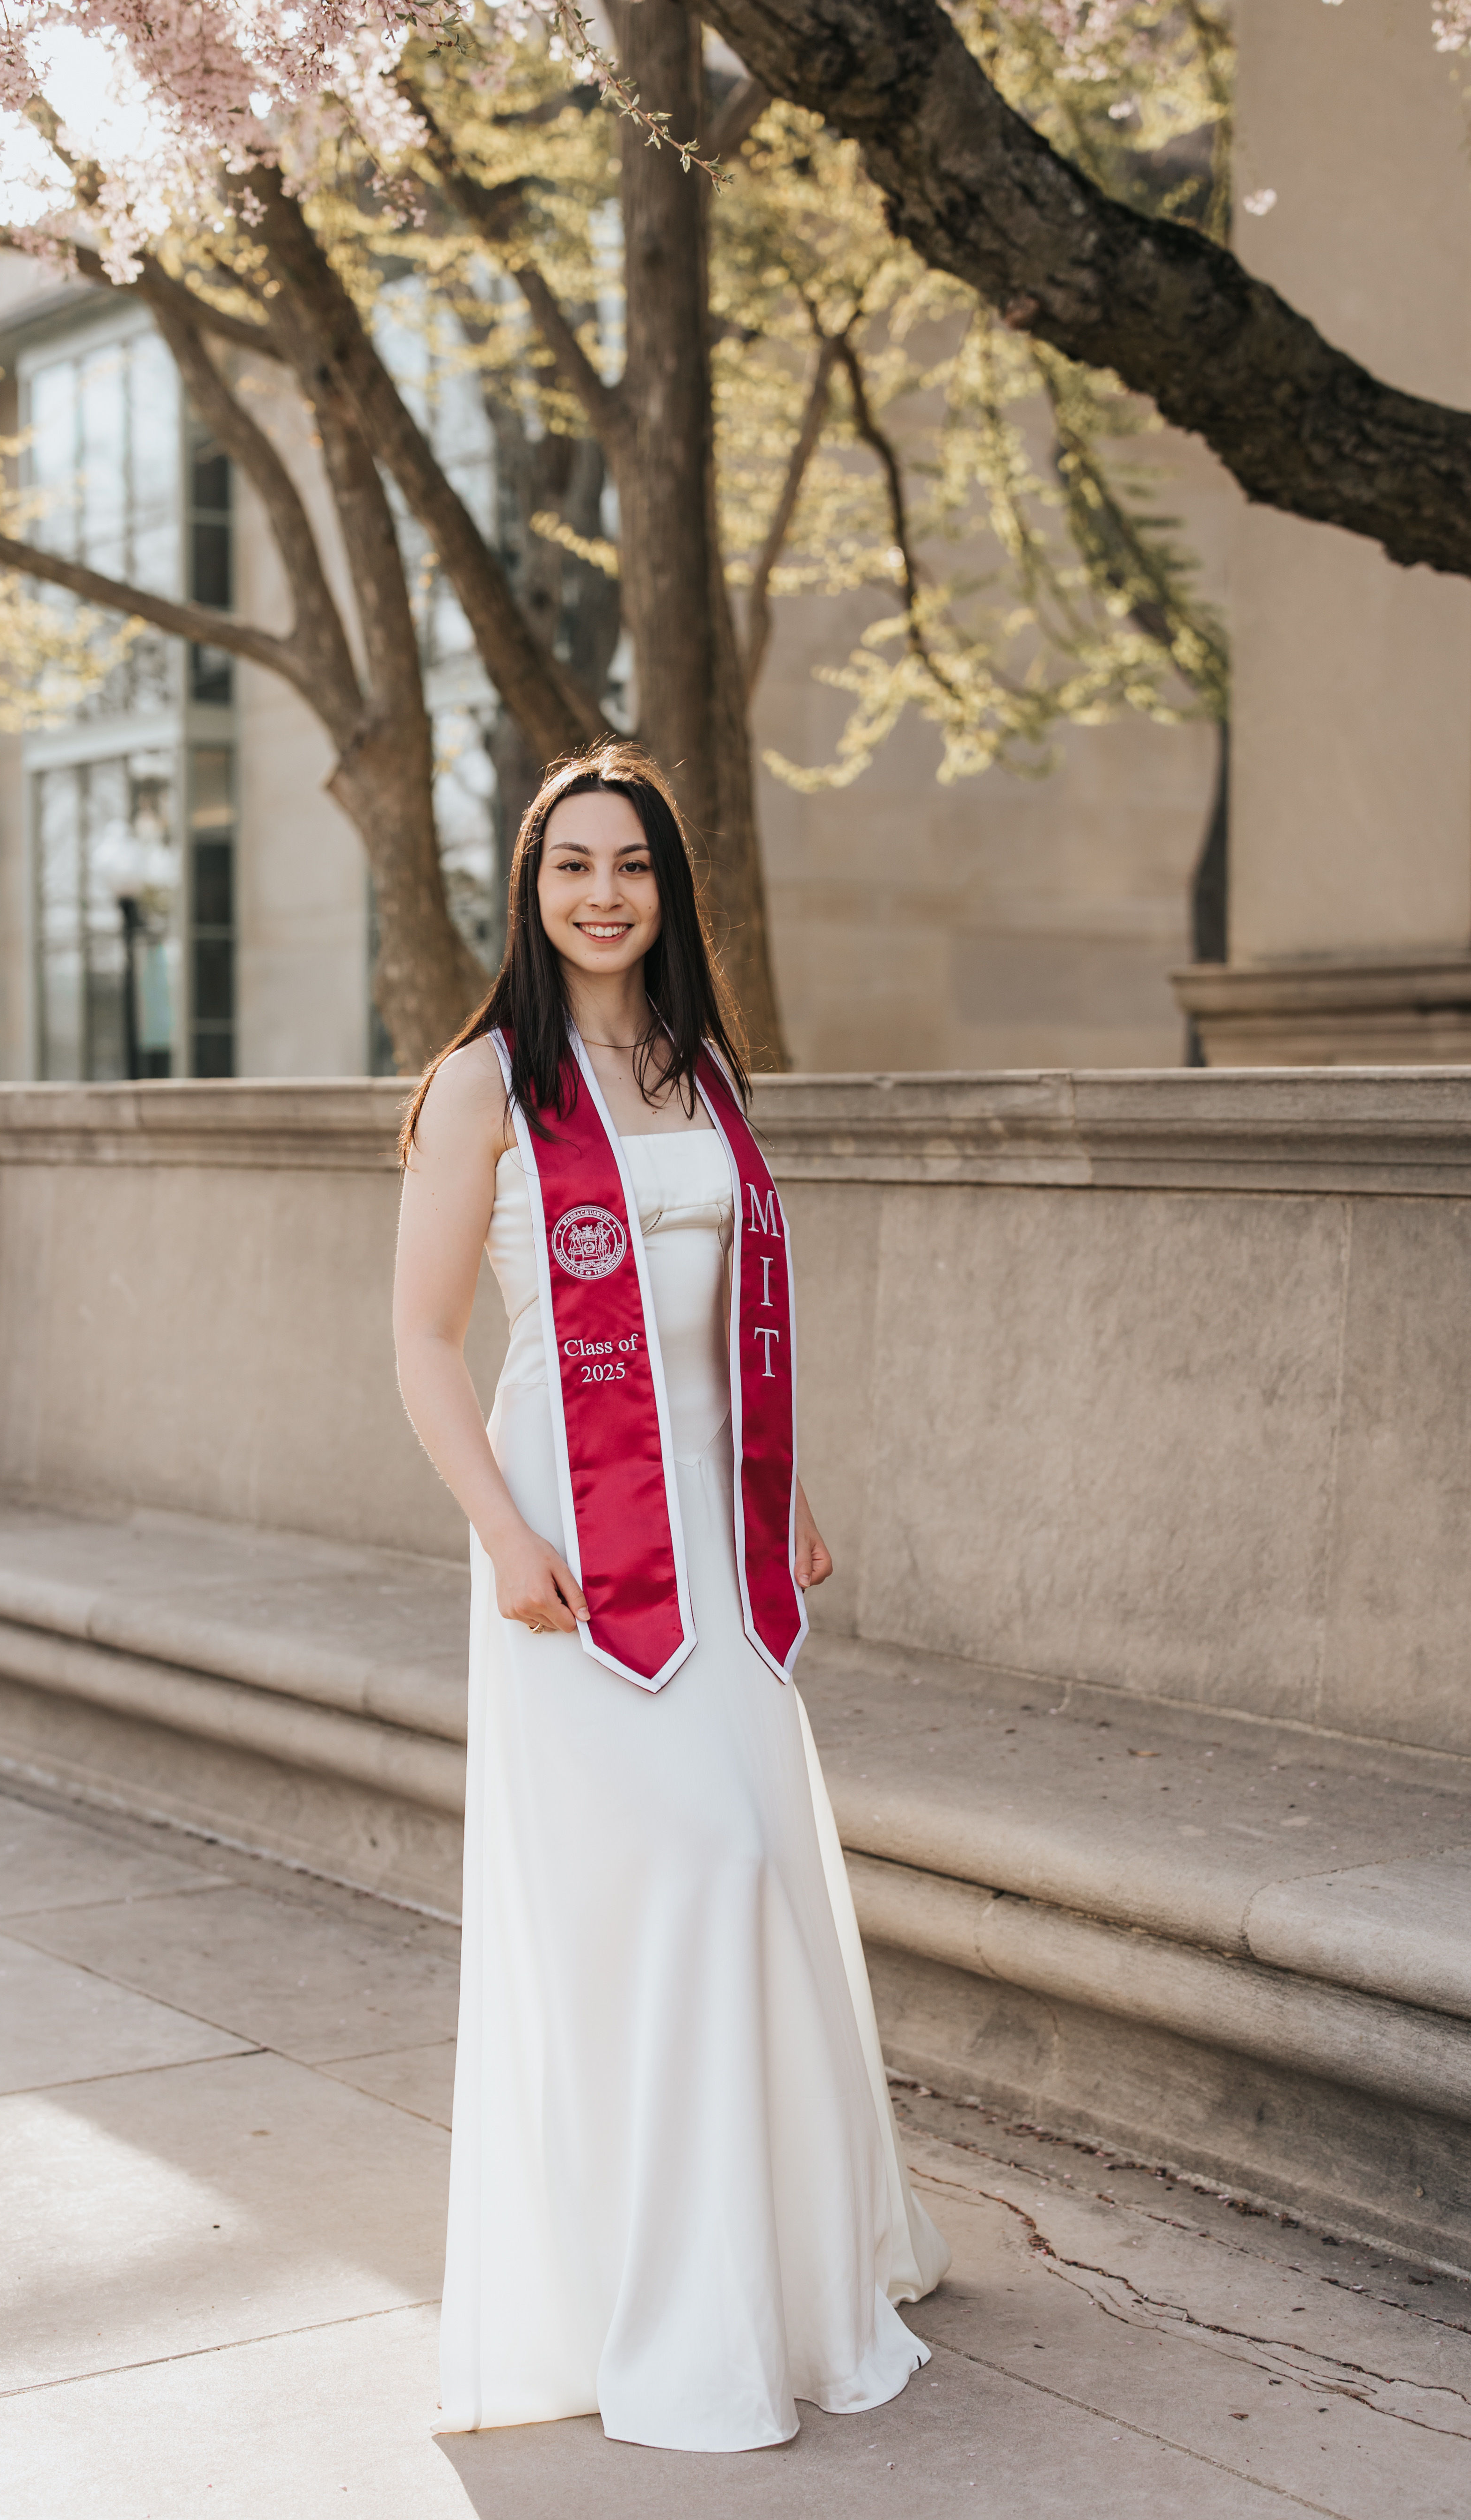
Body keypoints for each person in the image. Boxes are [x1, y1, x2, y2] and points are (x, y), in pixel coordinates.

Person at [392, 740, 949, 2455]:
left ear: (668, 888)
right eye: (572, 866)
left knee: (765, 1869)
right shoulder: (488, 1085)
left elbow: (727, 1321)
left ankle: (786, 2271)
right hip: (573, 1550)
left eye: (630, 865)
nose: (603, 894)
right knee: (678, 1883)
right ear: (531, 887)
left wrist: (793, 1501)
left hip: (718, 1540)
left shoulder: (701, 1069)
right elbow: (422, 1341)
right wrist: (499, 1535)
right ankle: (667, 2303)